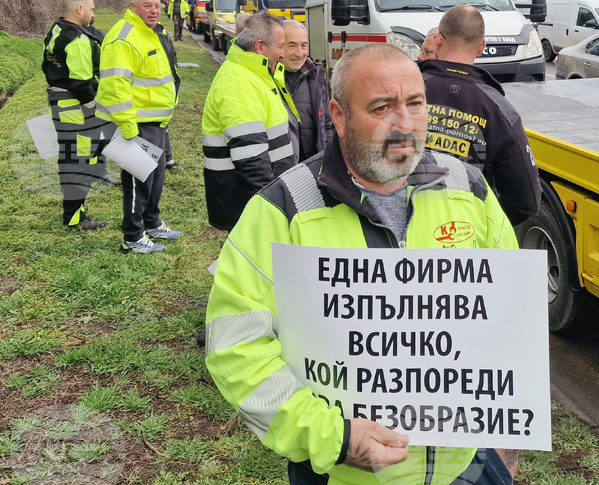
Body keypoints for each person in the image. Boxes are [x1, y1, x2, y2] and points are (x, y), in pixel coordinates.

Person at [204, 43, 520, 485]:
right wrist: (332, 436)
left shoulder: (467, 188)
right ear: (338, 115)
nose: (405, 124)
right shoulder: (284, 208)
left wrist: (502, 436)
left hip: (465, 467)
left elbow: (510, 315)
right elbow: (235, 345)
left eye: (415, 103)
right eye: (381, 107)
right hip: (347, 472)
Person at [420, 5, 540, 226]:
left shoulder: (401, 92)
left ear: (438, 39)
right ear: (481, 47)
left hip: (397, 238)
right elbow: (526, 202)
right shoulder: (500, 110)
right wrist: (479, 221)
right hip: (463, 237)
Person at [96, 0, 183, 254]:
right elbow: (115, 87)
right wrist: (128, 127)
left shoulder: (155, 32)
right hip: (137, 123)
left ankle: (152, 222)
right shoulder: (124, 38)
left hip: (156, 120)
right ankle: (133, 236)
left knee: (156, 176)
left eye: (157, 6)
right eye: (147, 6)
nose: (154, 11)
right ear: (133, 7)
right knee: (138, 179)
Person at [201, 11, 299, 232]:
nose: (283, 54)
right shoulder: (239, 84)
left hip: (250, 199)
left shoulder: (253, 74)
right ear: (260, 47)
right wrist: (274, 207)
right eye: (280, 46)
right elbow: (251, 159)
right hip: (248, 205)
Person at [42, 0, 114, 229]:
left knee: (72, 158)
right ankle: (75, 218)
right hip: (75, 109)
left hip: (60, 105)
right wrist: (96, 111)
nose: (93, 13)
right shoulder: (79, 40)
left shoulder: (58, 29)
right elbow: (82, 82)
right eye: (92, 9)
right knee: (78, 162)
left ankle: (76, 211)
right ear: (80, 9)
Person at [281, 19, 333, 161]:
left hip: (313, 167)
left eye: (303, 45)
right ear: (278, 46)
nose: (299, 53)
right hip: (282, 170)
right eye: (292, 45)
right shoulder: (266, 79)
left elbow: (327, 125)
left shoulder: (317, 77)